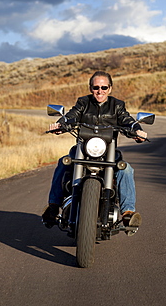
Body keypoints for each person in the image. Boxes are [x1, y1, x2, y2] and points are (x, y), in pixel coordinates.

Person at [42, 71, 147, 235]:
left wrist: (137, 130)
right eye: (96, 87)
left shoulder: (117, 105)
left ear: (110, 88)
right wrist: (61, 124)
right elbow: (71, 116)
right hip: (83, 150)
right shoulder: (83, 103)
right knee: (63, 162)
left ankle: (127, 213)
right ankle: (54, 206)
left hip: (108, 152)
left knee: (126, 169)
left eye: (104, 87)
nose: (100, 91)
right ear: (91, 88)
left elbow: (127, 120)